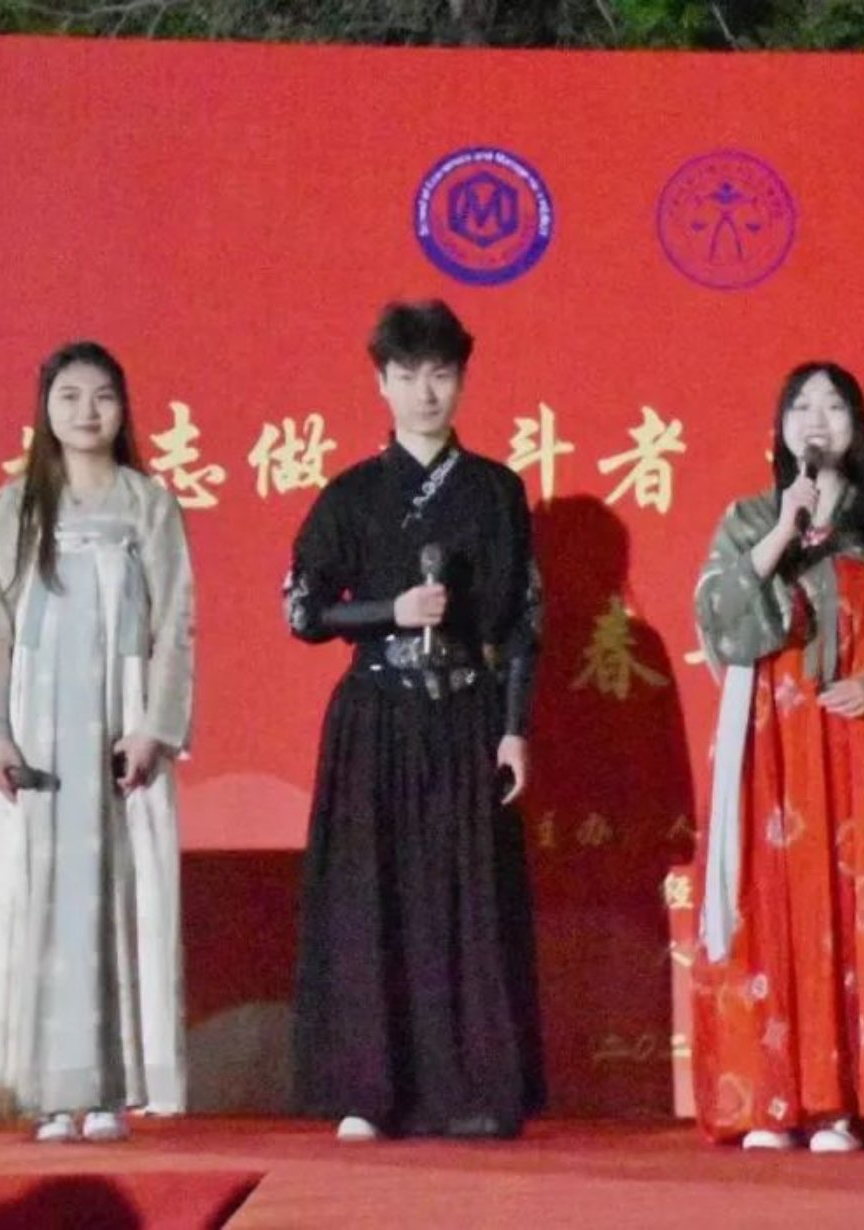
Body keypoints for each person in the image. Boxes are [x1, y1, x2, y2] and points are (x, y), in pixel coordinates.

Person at [285, 300, 543, 1141]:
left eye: (441, 375)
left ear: (462, 380)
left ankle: (469, 1090)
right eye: (407, 376)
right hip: (375, 718)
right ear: (381, 384)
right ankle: (367, 1092)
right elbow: (303, 610)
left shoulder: (497, 491)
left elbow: (522, 623)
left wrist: (514, 728)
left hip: (466, 713)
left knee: (465, 899)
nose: (425, 393)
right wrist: (388, 611)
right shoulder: (352, 495)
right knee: (373, 900)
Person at [690, 361, 864, 1152]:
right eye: (802, 406)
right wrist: (784, 530)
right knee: (773, 904)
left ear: (857, 427)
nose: (817, 420)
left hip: (856, 747)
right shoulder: (749, 519)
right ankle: (772, 1100)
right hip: (772, 749)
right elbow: (719, 621)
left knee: (854, 910)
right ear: (780, 427)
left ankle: (846, 1103)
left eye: (834, 406)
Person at [0, 341, 193, 1143]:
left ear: (123, 409)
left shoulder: (148, 504)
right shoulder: (14, 506)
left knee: (114, 899)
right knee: (42, 899)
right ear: (46, 409)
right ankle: (46, 1096)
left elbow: (175, 623)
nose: (87, 411)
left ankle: (109, 1092)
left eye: (102, 396)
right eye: (69, 396)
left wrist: (156, 727)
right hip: (37, 727)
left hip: (118, 724)